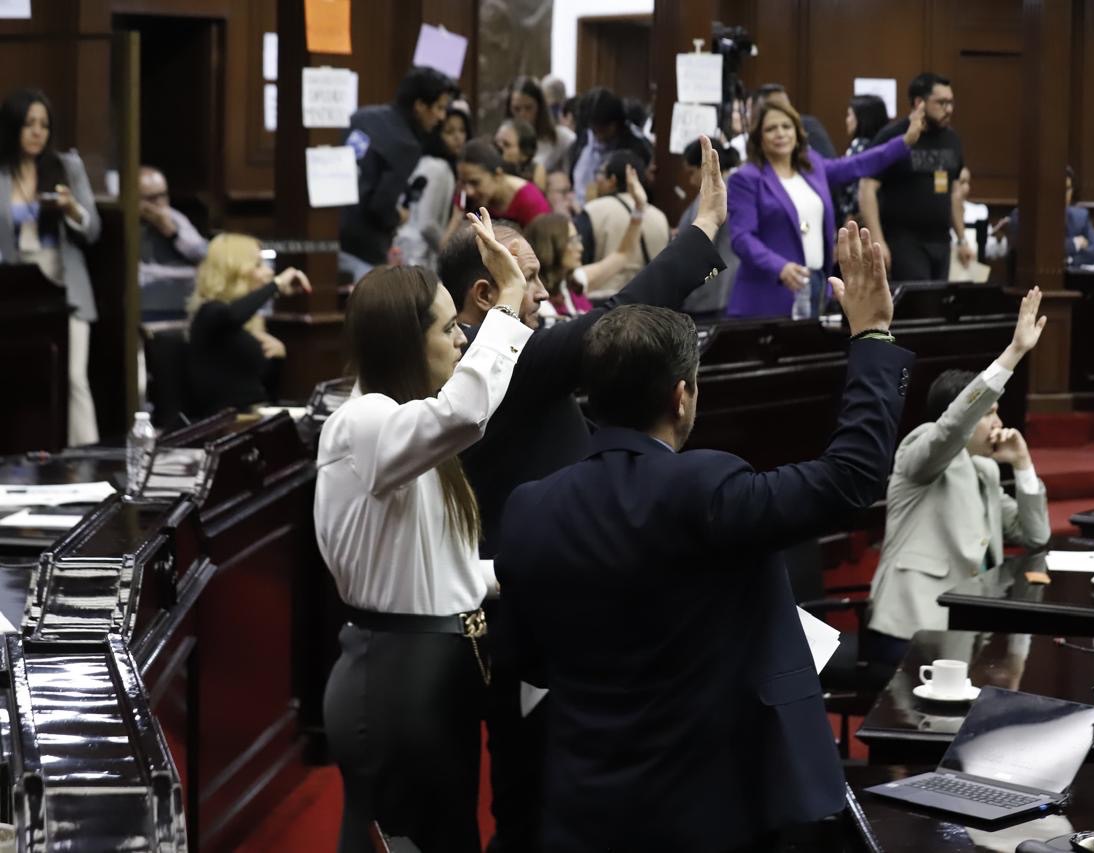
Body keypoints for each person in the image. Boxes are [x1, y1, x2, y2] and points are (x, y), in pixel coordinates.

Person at [494, 223, 914, 853]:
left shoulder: (529, 509)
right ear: (682, 397)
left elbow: (525, 659)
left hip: (581, 811)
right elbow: (851, 478)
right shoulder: (707, 490)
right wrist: (873, 335)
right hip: (706, 814)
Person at [437, 136, 727, 852]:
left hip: (534, 604)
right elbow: (615, 321)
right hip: (526, 619)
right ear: (485, 294)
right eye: (529, 278)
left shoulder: (488, 360)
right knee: (530, 805)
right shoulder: (496, 363)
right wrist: (700, 233)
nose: (542, 293)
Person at [316, 210, 531, 853]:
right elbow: (466, 412)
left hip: (433, 672)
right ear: (406, 344)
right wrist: (509, 302)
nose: (462, 338)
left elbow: (445, 571)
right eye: (447, 327)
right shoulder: (363, 422)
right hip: (396, 678)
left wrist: (528, 567)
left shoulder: (402, 429)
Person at [866, 289, 1051, 664]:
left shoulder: (985, 470)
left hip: (966, 627)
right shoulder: (920, 448)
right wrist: (1014, 352)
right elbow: (952, 426)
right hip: (912, 624)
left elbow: (1036, 537)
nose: (998, 422)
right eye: (989, 412)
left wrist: (1023, 463)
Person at [726, 98, 922, 317]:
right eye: (771, 129)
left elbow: (857, 164)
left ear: (797, 132)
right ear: (758, 137)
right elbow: (742, 238)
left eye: (786, 126)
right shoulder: (746, 178)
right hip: (770, 292)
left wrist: (904, 142)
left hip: (817, 285)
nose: (780, 133)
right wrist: (780, 267)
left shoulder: (812, 166)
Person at [0, 88, 101, 446]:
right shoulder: (2, 173)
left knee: (73, 378)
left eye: (44, 125)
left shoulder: (66, 167)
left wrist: (71, 208)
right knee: (21, 382)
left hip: (64, 287)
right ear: (13, 126)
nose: (37, 132)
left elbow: (93, 230)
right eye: (29, 124)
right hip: (15, 288)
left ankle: (86, 456)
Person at [340, 66, 457, 280]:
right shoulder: (406, 144)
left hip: (329, 231)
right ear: (420, 106)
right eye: (439, 108)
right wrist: (399, 216)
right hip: (362, 249)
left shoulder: (362, 116)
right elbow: (380, 207)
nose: (442, 117)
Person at [859, 72, 970, 281]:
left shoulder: (952, 139)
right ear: (919, 102)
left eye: (951, 103)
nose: (949, 109)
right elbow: (867, 188)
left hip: (941, 241)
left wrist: (962, 239)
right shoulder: (893, 136)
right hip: (904, 241)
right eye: (941, 103)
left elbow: (955, 194)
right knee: (918, 299)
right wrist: (877, 240)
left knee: (939, 300)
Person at [186, 234, 312, 417]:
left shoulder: (248, 321)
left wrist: (277, 357)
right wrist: (276, 284)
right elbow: (232, 315)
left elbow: (259, 386)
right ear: (235, 271)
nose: (268, 272)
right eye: (258, 265)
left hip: (255, 412)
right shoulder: (209, 313)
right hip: (224, 421)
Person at [525, 164, 650, 319]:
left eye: (578, 239)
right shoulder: (537, 301)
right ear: (551, 246)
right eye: (572, 241)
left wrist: (639, 208)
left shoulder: (572, 282)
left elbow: (622, 254)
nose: (580, 247)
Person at [579, 150, 669, 297]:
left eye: (601, 174)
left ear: (612, 180)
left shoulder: (593, 210)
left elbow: (580, 262)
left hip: (603, 301)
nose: (597, 180)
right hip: (648, 301)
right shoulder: (661, 217)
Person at [393, 104, 471, 268]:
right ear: (436, 135)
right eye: (449, 132)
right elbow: (427, 224)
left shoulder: (433, 164)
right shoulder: (437, 168)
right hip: (419, 257)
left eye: (462, 130)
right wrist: (446, 247)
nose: (458, 137)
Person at [987, 166, 1094, 266]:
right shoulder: (1021, 216)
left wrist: (1070, 260)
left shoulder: (1080, 217)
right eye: (1058, 189)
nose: (1063, 194)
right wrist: (1074, 244)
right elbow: (1036, 251)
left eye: (1067, 189)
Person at [677, 138, 741, 316]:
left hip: (709, 292)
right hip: (719, 287)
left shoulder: (717, 193)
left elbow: (700, 242)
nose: (691, 181)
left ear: (705, 166)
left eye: (692, 172)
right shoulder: (729, 188)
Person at [443, 140, 550, 243]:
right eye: (463, 182)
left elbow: (543, 250)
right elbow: (445, 248)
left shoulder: (531, 202)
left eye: (475, 183)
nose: (469, 191)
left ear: (498, 175)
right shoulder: (466, 196)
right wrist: (457, 219)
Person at [137, 165, 207, 322]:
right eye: (151, 198)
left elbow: (203, 254)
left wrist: (173, 233)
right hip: (145, 305)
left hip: (181, 303)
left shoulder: (174, 218)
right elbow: (139, 276)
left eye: (163, 195)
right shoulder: (127, 222)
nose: (160, 203)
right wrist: (188, 273)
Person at [567, 87, 653, 205]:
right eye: (594, 130)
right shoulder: (585, 137)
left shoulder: (636, 147)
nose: (598, 136)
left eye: (602, 130)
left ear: (615, 124)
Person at [837, 93, 890, 224]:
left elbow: (852, 187)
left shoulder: (859, 147)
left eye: (850, 115)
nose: (847, 120)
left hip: (859, 221)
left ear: (862, 119)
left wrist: (849, 214)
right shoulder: (885, 148)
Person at [507, 76, 575, 173]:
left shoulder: (563, 138)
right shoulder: (503, 139)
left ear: (540, 108)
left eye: (528, 108)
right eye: (517, 109)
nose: (522, 115)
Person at [494, 117, 546, 189]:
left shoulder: (536, 171)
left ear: (524, 152)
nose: (498, 149)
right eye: (496, 143)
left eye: (506, 145)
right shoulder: (488, 168)